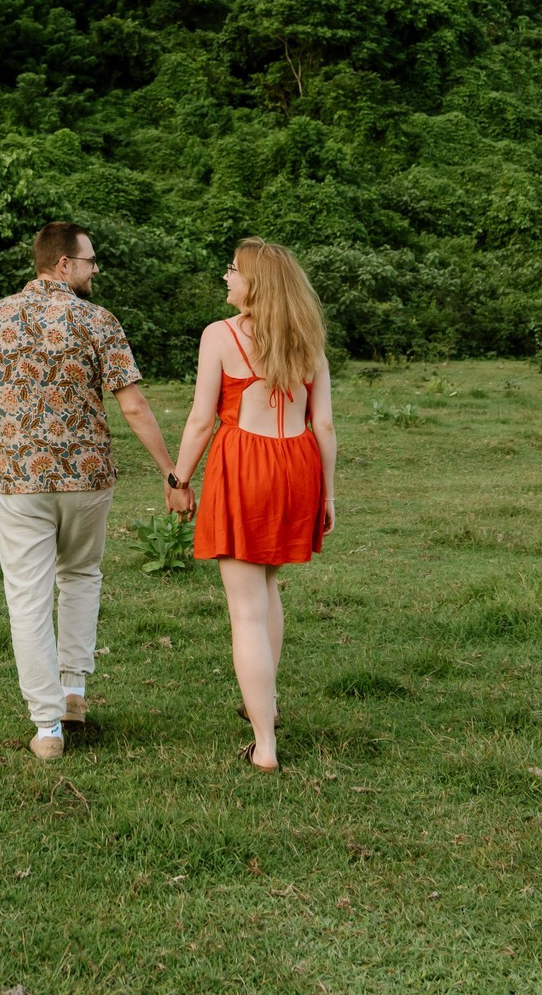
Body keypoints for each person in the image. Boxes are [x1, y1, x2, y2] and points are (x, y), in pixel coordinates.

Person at [0, 221, 178, 760]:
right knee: (80, 575)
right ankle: (74, 691)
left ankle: (47, 727)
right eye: (89, 260)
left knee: (26, 596)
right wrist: (171, 471)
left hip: (18, 477)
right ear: (63, 264)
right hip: (87, 476)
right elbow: (132, 404)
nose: (94, 268)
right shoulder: (98, 321)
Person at [165, 239, 337, 772]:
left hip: (244, 464)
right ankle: (265, 702)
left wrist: (178, 478)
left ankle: (264, 743)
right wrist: (327, 493)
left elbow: (200, 420)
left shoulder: (219, 335)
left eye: (234, 271)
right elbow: (324, 424)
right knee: (265, 587)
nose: (226, 278)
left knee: (245, 610)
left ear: (256, 282)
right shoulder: (307, 340)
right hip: (298, 465)